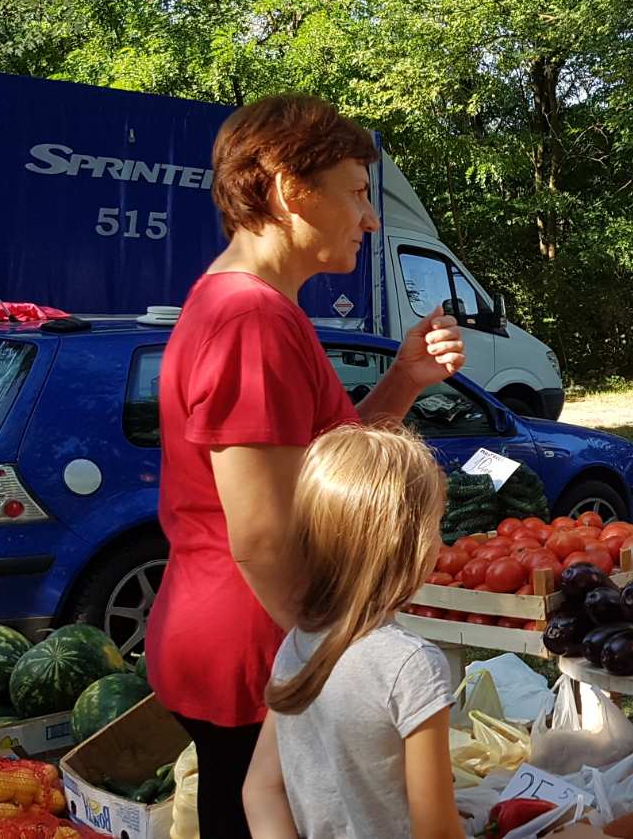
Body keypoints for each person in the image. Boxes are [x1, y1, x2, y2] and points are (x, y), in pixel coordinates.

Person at [146, 94, 466, 839]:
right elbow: (263, 535)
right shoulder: (248, 319)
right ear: (292, 189)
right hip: (253, 647)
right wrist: (335, 660)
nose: (371, 217)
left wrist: (404, 381)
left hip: (247, 640)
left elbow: (327, 477)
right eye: (357, 192)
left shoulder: (257, 307)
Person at [243, 424, 465, 839]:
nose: (440, 539)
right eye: (436, 523)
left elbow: (260, 790)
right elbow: (437, 831)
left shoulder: (298, 643)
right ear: (408, 545)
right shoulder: (413, 665)